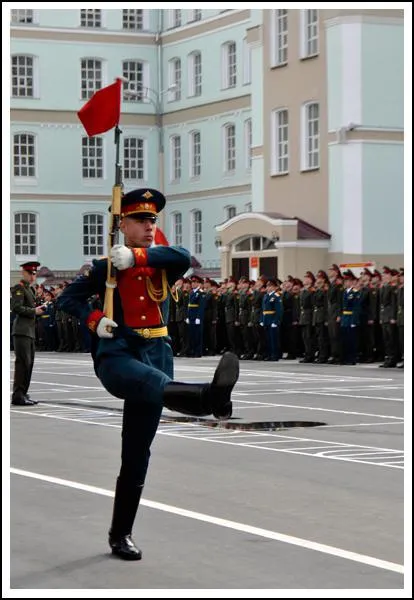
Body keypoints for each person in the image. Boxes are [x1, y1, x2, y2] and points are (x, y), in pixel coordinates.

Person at [57, 188, 239, 561]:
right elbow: (66, 300)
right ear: (121, 224)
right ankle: (208, 399)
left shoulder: (159, 262)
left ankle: (120, 534)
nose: (148, 226)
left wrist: (136, 256)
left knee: (137, 452)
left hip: (158, 351)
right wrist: (95, 320)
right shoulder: (104, 268)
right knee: (149, 382)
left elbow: (183, 256)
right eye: (139, 220)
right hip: (119, 353)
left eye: (152, 220)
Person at [11, 261, 47, 406]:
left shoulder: (30, 290)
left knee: (29, 364)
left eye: (34, 274)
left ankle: (24, 393)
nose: (33, 276)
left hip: (29, 331)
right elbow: (16, 308)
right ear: (23, 273)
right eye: (30, 273)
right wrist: (34, 311)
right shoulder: (18, 288)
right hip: (21, 331)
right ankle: (18, 395)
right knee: (23, 363)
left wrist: (38, 309)